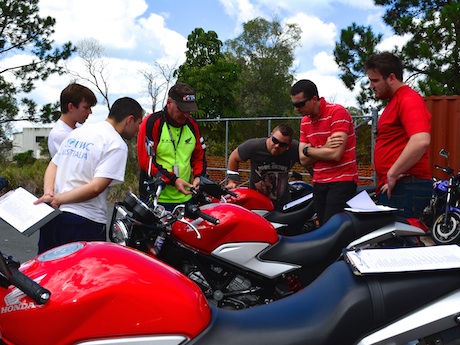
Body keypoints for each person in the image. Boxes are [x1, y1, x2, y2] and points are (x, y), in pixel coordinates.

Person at [35, 97, 144, 254]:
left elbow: (53, 164)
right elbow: (95, 187)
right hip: (84, 221)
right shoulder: (116, 144)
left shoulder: (79, 132)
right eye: (138, 124)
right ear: (130, 119)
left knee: (44, 272)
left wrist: (49, 193)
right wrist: (57, 199)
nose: (138, 129)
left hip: (52, 216)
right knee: (80, 275)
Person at [364, 52, 432, 218]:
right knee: (394, 240)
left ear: (391, 78)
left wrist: (392, 173)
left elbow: (421, 140)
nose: (371, 86)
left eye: (375, 80)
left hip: (406, 186)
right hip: (400, 186)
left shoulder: (408, 99)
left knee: (401, 241)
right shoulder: (394, 102)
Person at [291, 79, 358, 226]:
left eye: (300, 104)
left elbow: (335, 155)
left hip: (342, 181)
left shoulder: (337, 112)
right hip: (319, 181)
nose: (296, 108)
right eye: (293, 104)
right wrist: (323, 147)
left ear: (314, 99)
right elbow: (303, 159)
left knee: (332, 230)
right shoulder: (305, 122)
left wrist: (309, 150)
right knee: (322, 227)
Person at [137, 82, 206, 210]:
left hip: (186, 198)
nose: (186, 114)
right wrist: (173, 180)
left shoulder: (192, 125)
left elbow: (199, 156)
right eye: (181, 109)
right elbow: (146, 162)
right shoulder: (152, 122)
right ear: (169, 103)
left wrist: (198, 176)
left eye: (189, 110)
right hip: (155, 198)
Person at [225, 124, 300, 209]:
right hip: (256, 203)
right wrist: (231, 181)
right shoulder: (254, 146)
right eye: (275, 140)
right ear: (271, 135)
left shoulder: (295, 149)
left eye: (282, 145)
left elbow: (310, 163)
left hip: (282, 204)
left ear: (289, 145)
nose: (277, 146)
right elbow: (234, 158)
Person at [48, 83, 97, 157]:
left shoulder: (78, 128)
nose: (90, 112)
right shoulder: (60, 134)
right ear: (71, 107)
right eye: (86, 108)